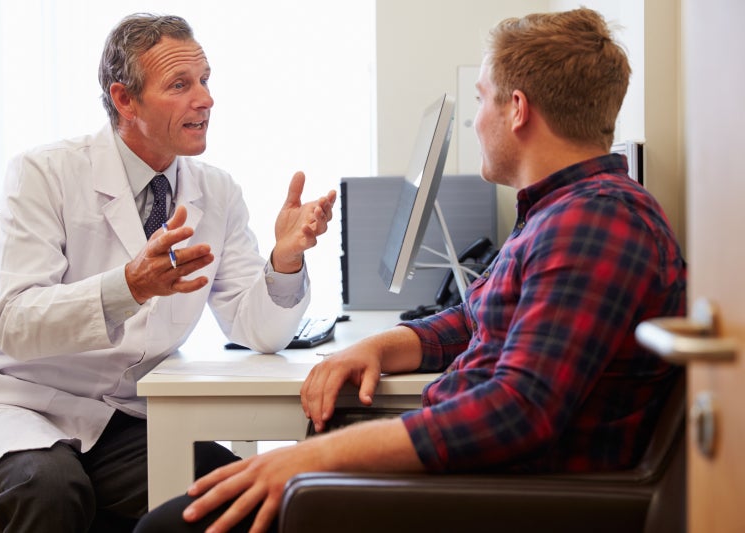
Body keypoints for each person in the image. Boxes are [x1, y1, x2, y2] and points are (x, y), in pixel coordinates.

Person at [134, 7, 687, 533]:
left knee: (169, 525)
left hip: (506, 499)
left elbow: (515, 413)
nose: (476, 122)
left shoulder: (593, 224)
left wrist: (307, 461)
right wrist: (375, 348)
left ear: (517, 109)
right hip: (481, 483)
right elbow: (473, 321)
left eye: (482, 101)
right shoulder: (561, 212)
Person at [0, 12, 336, 533]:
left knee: (243, 496)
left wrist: (284, 261)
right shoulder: (42, 172)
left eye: (205, 80)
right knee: (51, 490)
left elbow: (256, 330)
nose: (206, 99)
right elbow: (14, 322)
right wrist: (127, 287)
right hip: (15, 402)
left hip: (119, 418)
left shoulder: (216, 192)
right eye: (180, 84)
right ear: (125, 100)